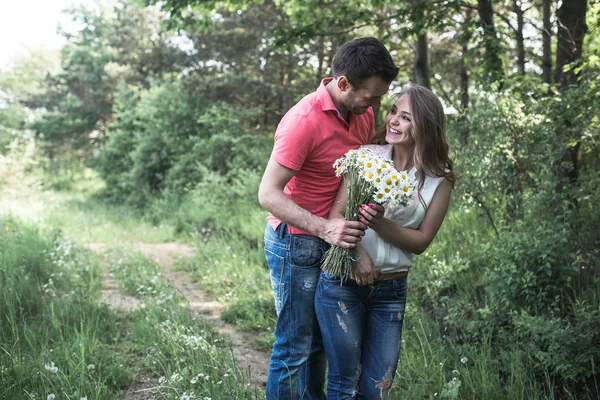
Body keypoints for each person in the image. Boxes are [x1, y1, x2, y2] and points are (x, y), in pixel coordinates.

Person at [258, 37, 399, 400]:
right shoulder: (302, 122)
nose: (376, 106)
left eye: (380, 97)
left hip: (332, 236)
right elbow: (267, 195)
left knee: (319, 341)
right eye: (371, 97)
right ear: (342, 84)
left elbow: (354, 177)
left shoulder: (362, 111)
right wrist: (325, 228)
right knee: (294, 346)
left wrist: (355, 239)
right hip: (296, 242)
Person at [315, 85, 455, 399]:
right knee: (343, 384)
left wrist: (379, 223)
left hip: (391, 291)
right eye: (393, 111)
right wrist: (355, 254)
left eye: (405, 117)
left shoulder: (438, 178)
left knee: (378, 389)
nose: (393, 120)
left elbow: (421, 241)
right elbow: (336, 216)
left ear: (425, 127)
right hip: (342, 283)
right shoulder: (366, 157)